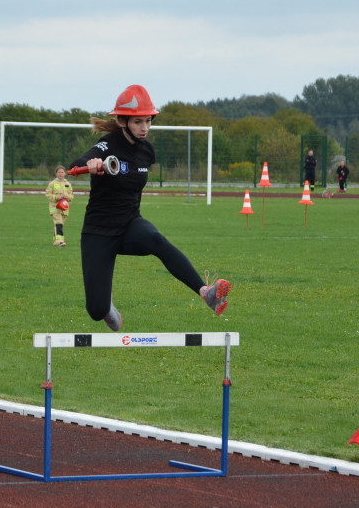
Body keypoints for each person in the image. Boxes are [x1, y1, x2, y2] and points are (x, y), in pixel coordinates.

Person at [69, 84, 230, 331]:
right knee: (96, 311)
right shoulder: (107, 145)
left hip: (130, 225)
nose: (144, 128)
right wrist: (89, 164)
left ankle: (206, 292)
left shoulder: (147, 152)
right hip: (98, 232)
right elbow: (76, 163)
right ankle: (107, 306)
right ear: (123, 121)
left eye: (148, 121)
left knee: (155, 238)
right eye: (138, 122)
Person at [46, 165, 74, 246]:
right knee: (59, 223)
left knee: (60, 224)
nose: (60, 174)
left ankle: (55, 241)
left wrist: (67, 197)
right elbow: (48, 195)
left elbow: (71, 196)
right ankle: (60, 241)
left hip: (64, 209)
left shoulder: (68, 184)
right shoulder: (52, 184)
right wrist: (56, 197)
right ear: (56, 173)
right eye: (59, 172)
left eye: (62, 172)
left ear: (65, 173)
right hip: (55, 208)